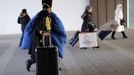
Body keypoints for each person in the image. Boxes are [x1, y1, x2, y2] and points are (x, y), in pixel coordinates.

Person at [20, 3, 67, 71]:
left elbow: (56, 26)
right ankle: (29, 62)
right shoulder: (40, 16)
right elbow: (36, 27)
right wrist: (42, 32)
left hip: (50, 38)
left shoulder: (51, 16)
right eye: (47, 9)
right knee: (38, 55)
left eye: (49, 8)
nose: (49, 10)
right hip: (40, 39)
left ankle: (55, 65)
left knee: (53, 53)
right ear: (45, 9)